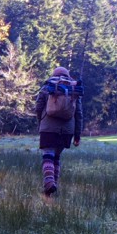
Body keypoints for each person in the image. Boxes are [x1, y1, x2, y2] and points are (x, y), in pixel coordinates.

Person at [33, 66, 83, 195]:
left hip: (48, 128)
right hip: (67, 130)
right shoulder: (74, 90)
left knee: (48, 155)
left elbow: (38, 107)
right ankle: (51, 188)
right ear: (68, 75)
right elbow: (78, 114)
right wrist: (77, 135)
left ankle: (49, 183)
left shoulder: (48, 86)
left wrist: (41, 122)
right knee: (57, 157)